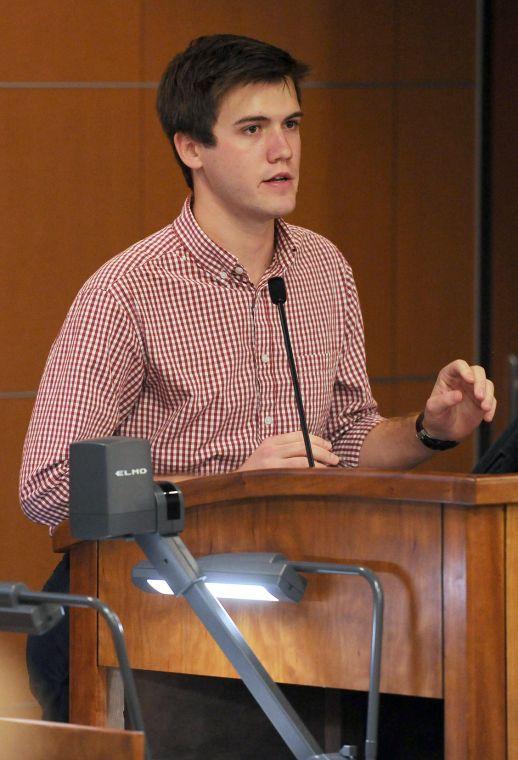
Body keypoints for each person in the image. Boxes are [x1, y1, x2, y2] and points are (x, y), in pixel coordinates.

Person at [20, 34, 495, 750]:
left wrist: (429, 429)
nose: (284, 150)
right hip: (152, 610)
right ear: (191, 147)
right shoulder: (126, 292)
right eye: (253, 129)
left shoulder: (324, 269)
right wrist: (232, 484)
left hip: (295, 601)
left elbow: (348, 438)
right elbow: (51, 486)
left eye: (292, 125)